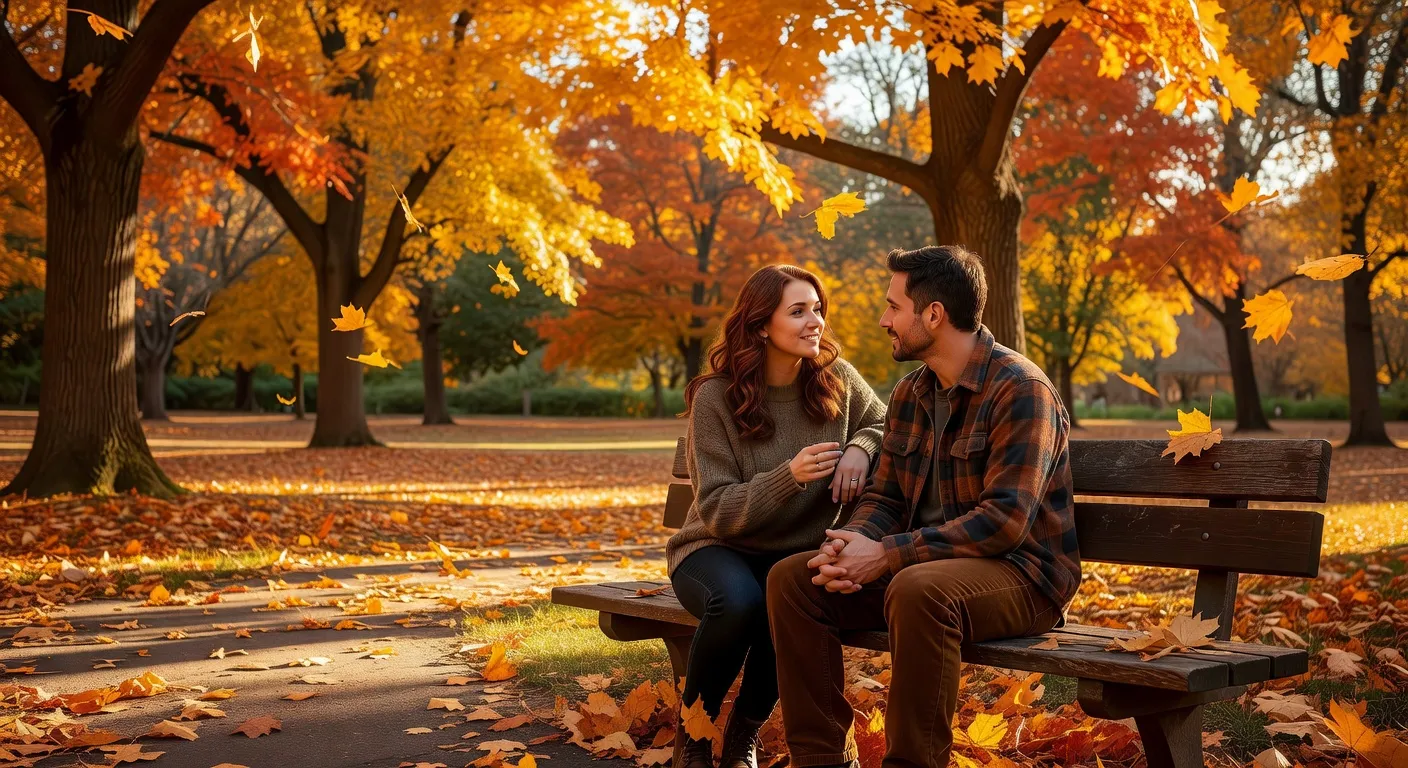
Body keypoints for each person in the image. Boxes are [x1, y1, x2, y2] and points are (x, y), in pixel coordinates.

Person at [766, 246, 1080, 768]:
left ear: (934, 314)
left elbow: (1004, 522)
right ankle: (819, 760)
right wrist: (852, 544)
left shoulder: (1021, 390)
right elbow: (886, 496)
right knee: (794, 580)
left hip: (1024, 575)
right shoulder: (911, 392)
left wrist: (887, 555)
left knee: (917, 589)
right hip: (922, 568)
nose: (883, 319)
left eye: (894, 307)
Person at [668, 264, 887, 768]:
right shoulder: (716, 396)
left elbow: (887, 422)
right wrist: (789, 476)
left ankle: (742, 733)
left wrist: (861, 447)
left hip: (790, 556)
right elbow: (717, 510)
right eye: (798, 311)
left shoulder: (838, 380)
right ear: (762, 325)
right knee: (740, 603)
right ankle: (694, 735)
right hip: (715, 549)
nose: (815, 322)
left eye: (818, 309)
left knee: (786, 599)